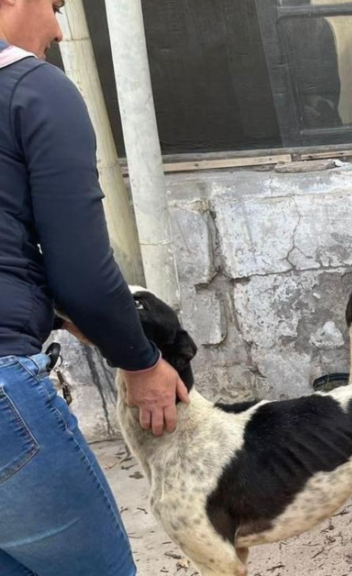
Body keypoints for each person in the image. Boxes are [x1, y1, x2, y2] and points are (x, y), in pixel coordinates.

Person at [0, 1, 188, 574]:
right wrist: (141, 362)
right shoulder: (32, 89)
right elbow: (80, 269)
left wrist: (52, 312)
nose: (58, 28)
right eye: (54, 5)